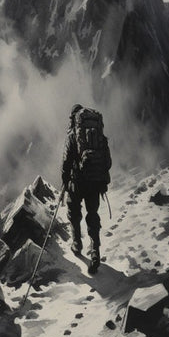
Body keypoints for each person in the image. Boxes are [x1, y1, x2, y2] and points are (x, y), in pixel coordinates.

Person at [61, 103, 111, 274]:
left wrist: (65, 180)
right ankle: (95, 251)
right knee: (93, 215)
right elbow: (108, 161)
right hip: (94, 182)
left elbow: (66, 161)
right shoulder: (98, 136)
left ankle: (77, 244)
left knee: (74, 213)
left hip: (77, 183)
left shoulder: (72, 136)